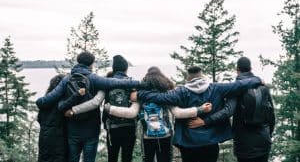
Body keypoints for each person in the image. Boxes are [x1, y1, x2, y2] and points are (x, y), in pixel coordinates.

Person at [131, 66, 263, 162]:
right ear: (202, 75)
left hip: (189, 143)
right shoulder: (216, 88)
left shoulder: (180, 92)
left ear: (188, 77)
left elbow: (160, 97)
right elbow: (239, 85)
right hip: (211, 141)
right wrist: (257, 80)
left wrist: (139, 94)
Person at [36, 51, 148, 162]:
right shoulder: (94, 78)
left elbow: (43, 102)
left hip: (73, 129)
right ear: (91, 64)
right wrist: (140, 84)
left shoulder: (66, 79)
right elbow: (115, 82)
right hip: (91, 130)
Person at [105, 66, 212, 162]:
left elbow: (131, 113)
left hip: (147, 137)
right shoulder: (167, 95)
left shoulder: (140, 96)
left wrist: (110, 108)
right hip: (165, 135)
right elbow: (178, 113)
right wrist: (200, 109)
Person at [187, 57, 275, 162]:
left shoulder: (236, 89)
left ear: (237, 69)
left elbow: (227, 111)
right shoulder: (263, 87)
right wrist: (268, 135)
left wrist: (205, 121)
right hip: (263, 141)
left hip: (244, 143)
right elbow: (271, 115)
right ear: (251, 68)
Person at [37, 74, 85, 162]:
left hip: (44, 137)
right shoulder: (63, 102)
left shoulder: (45, 102)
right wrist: (77, 94)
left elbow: (39, 119)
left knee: (44, 158)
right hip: (59, 137)